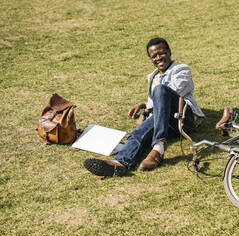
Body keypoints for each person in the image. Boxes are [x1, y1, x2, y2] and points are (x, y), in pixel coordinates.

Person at [84, 37, 205, 178]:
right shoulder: (153, 78)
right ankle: (120, 163)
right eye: (154, 56)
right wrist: (145, 109)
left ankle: (158, 147)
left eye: (161, 53)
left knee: (160, 90)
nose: (158, 58)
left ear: (169, 52)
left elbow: (170, 92)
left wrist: (148, 109)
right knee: (138, 132)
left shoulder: (182, 70)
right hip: (164, 122)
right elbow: (156, 103)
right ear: (150, 59)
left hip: (183, 117)